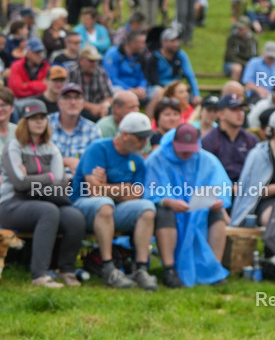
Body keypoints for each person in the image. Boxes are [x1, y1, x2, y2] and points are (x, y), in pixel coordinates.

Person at [0, 100, 86, 288]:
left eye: (42, 118)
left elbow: (60, 184)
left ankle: (66, 270)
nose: (39, 122)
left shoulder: (51, 148)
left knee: (75, 217)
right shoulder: (13, 147)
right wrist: (47, 176)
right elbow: (19, 183)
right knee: (48, 211)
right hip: (11, 204)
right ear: (25, 122)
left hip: (44, 199)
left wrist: (33, 179)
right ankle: (39, 275)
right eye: (33, 118)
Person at [71, 112, 159, 290]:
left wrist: (107, 188)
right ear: (125, 134)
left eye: (147, 137)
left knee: (147, 209)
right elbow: (93, 190)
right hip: (83, 207)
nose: (145, 142)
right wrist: (121, 189)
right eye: (140, 138)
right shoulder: (98, 149)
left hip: (115, 208)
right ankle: (109, 268)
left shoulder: (137, 159)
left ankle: (140, 268)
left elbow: (138, 193)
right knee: (104, 204)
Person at [145, 124, 232, 288]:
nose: (186, 153)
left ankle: (214, 268)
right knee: (165, 213)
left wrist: (218, 201)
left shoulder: (207, 159)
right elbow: (149, 190)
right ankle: (170, 270)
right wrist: (168, 201)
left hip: (199, 211)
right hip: (170, 209)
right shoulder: (157, 158)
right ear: (173, 143)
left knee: (218, 215)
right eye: (182, 149)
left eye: (190, 149)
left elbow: (220, 185)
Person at [201, 94, 258, 184]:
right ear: (221, 114)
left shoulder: (251, 139)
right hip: (219, 192)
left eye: (241, 109)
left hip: (248, 190)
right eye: (234, 109)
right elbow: (206, 174)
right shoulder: (209, 140)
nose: (240, 113)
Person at [48, 83, 102, 175]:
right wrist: (65, 161)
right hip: (50, 182)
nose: (73, 102)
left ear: (83, 103)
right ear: (59, 103)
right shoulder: (46, 124)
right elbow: (36, 161)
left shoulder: (93, 129)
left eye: (77, 98)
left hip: (80, 183)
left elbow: (97, 164)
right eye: (67, 98)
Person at [147, 27, 201, 106]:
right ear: (164, 43)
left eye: (177, 41)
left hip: (176, 87)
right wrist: (169, 90)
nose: (176, 44)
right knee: (157, 92)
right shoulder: (155, 57)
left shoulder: (181, 55)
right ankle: (151, 118)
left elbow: (190, 75)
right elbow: (154, 80)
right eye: (172, 41)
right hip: (160, 88)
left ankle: (190, 117)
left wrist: (197, 95)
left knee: (190, 96)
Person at [64, 46, 114, 121]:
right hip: (77, 109)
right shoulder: (70, 72)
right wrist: (91, 107)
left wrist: (104, 106)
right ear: (80, 60)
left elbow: (109, 96)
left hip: (100, 110)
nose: (94, 63)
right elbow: (64, 96)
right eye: (91, 60)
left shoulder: (101, 72)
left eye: (96, 60)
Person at [103, 31, 150, 103]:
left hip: (137, 90)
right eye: (142, 42)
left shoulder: (140, 56)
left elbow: (143, 77)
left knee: (157, 92)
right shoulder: (113, 54)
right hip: (120, 88)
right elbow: (112, 78)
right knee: (118, 93)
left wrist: (142, 88)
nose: (144, 45)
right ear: (132, 43)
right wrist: (129, 90)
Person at [223, 16, 258, 81]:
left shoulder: (253, 40)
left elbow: (255, 55)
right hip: (231, 63)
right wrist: (244, 63)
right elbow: (230, 56)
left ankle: (249, 90)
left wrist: (251, 64)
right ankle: (235, 89)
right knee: (237, 68)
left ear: (248, 28)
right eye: (238, 28)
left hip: (248, 64)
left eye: (241, 29)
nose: (239, 30)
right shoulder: (232, 38)